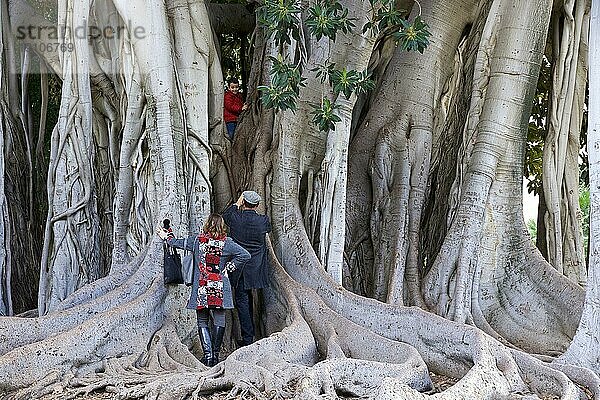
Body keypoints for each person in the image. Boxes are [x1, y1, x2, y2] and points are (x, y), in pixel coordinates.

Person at [157, 213, 250, 366]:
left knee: (202, 320)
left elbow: (175, 243)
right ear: (222, 226)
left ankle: (208, 356)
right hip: (219, 286)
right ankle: (215, 356)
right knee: (220, 319)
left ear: (207, 225)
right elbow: (245, 255)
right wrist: (229, 267)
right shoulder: (227, 243)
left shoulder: (197, 241)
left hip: (202, 287)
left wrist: (166, 235)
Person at [223, 190, 271, 346]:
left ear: (244, 202)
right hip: (256, 268)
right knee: (248, 299)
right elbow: (268, 229)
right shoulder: (263, 220)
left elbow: (226, 215)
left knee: (242, 301)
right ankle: (254, 334)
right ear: (257, 205)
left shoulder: (236, 218)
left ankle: (248, 339)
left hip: (240, 267)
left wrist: (238, 203)